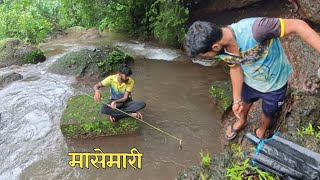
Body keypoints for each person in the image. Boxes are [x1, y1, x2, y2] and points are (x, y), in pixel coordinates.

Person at [185, 17, 320, 139]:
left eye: (207, 55)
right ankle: (241, 120)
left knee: (269, 112)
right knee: (243, 103)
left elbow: (298, 25)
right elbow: (235, 67)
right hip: (250, 81)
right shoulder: (221, 50)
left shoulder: (257, 29)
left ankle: (262, 130)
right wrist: (236, 100)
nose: (209, 57)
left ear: (215, 46)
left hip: (276, 83)